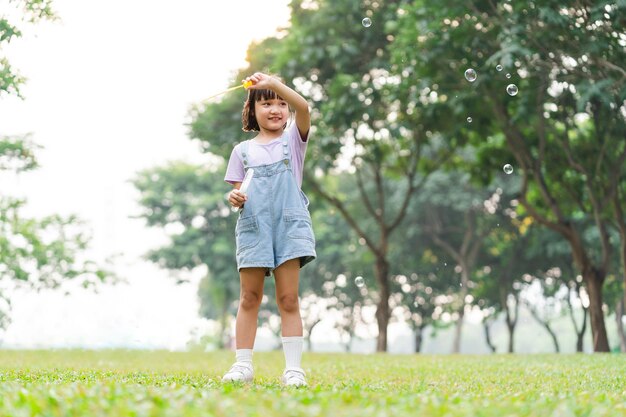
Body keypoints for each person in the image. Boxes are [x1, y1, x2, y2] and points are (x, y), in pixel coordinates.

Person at [222, 72, 316, 387]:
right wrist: (232, 197)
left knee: (288, 298)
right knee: (249, 296)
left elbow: (304, 108)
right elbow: (237, 192)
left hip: (289, 226)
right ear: (253, 111)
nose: (275, 109)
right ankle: (242, 364)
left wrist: (274, 83)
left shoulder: (293, 140)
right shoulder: (242, 151)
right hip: (253, 227)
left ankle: (293, 369)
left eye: (280, 104)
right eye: (266, 104)